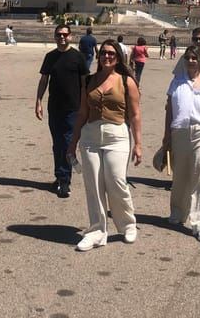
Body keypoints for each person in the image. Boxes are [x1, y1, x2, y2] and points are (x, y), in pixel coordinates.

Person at [68, 40, 142, 251]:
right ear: (98, 57)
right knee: (93, 185)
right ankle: (97, 231)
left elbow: (135, 115)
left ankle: (128, 224)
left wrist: (138, 144)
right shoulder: (88, 80)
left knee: (116, 181)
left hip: (117, 135)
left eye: (111, 54)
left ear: (118, 57)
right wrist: (72, 143)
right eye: (103, 54)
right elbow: (82, 112)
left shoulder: (127, 81)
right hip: (90, 136)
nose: (106, 57)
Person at [163, 45, 200, 243]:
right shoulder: (176, 83)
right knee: (180, 175)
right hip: (179, 132)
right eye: (187, 57)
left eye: (194, 58)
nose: (190, 61)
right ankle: (178, 212)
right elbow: (169, 111)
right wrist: (166, 136)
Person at [35, 24, 89, 198]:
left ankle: (65, 180)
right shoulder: (50, 57)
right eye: (59, 35)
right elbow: (44, 80)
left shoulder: (78, 57)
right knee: (57, 143)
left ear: (71, 36)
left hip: (73, 108)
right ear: (54, 36)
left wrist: (85, 104)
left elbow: (84, 83)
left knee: (66, 142)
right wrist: (38, 101)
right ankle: (59, 176)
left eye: (65, 34)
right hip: (55, 107)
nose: (62, 37)